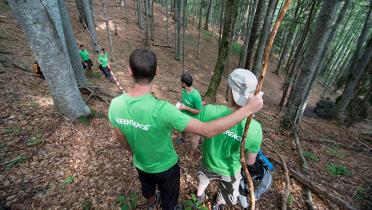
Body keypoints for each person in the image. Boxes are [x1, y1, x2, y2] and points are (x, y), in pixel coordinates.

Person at [108, 49, 264, 210]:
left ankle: (152, 202)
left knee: (147, 188)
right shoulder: (164, 109)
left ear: (129, 71)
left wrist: (135, 152)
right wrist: (246, 110)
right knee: (170, 198)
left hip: (140, 164)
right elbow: (206, 131)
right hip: (167, 167)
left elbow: (121, 138)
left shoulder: (115, 105)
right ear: (157, 71)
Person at [190, 68, 264, 210]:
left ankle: (199, 197)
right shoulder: (255, 129)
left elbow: (194, 137)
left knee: (203, 180)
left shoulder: (209, 110)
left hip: (208, 162)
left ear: (230, 90)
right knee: (227, 192)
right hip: (231, 170)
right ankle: (218, 204)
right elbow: (249, 161)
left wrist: (194, 150)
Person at [176, 73, 203, 144]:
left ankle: (200, 139)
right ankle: (183, 139)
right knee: (181, 128)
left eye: (181, 82)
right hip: (184, 115)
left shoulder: (196, 95)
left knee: (194, 138)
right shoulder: (184, 90)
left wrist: (185, 108)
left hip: (193, 118)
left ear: (184, 83)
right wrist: (180, 104)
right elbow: (184, 101)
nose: (180, 83)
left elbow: (199, 111)